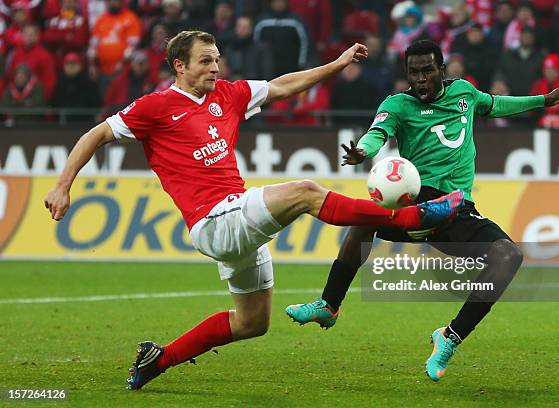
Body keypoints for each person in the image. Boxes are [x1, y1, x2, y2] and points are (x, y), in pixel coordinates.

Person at [43, 31, 465, 391]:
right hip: (213, 221)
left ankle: (158, 360)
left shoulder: (227, 95)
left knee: (252, 322)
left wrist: (336, 64)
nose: (215, 68)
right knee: (303, 191)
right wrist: (63, 186)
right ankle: (411, 217)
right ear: (179, 65)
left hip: (237, 221)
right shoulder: (154, 107)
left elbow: (285, 85)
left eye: (217, 60)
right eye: (205, 61)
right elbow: (95, 135)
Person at [286, 40, 559, 383]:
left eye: (427, 71)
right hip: (416, 205)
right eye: (414, 73)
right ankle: (329, 305)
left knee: (508, 256)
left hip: (456, 209)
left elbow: (496, 104)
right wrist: (363, 152)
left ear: (442, 70)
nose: (421, 79)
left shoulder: (465, 94)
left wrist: (544, 100)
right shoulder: (398, 104)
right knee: (362, 221)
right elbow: (378, 131)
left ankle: (449, 337)